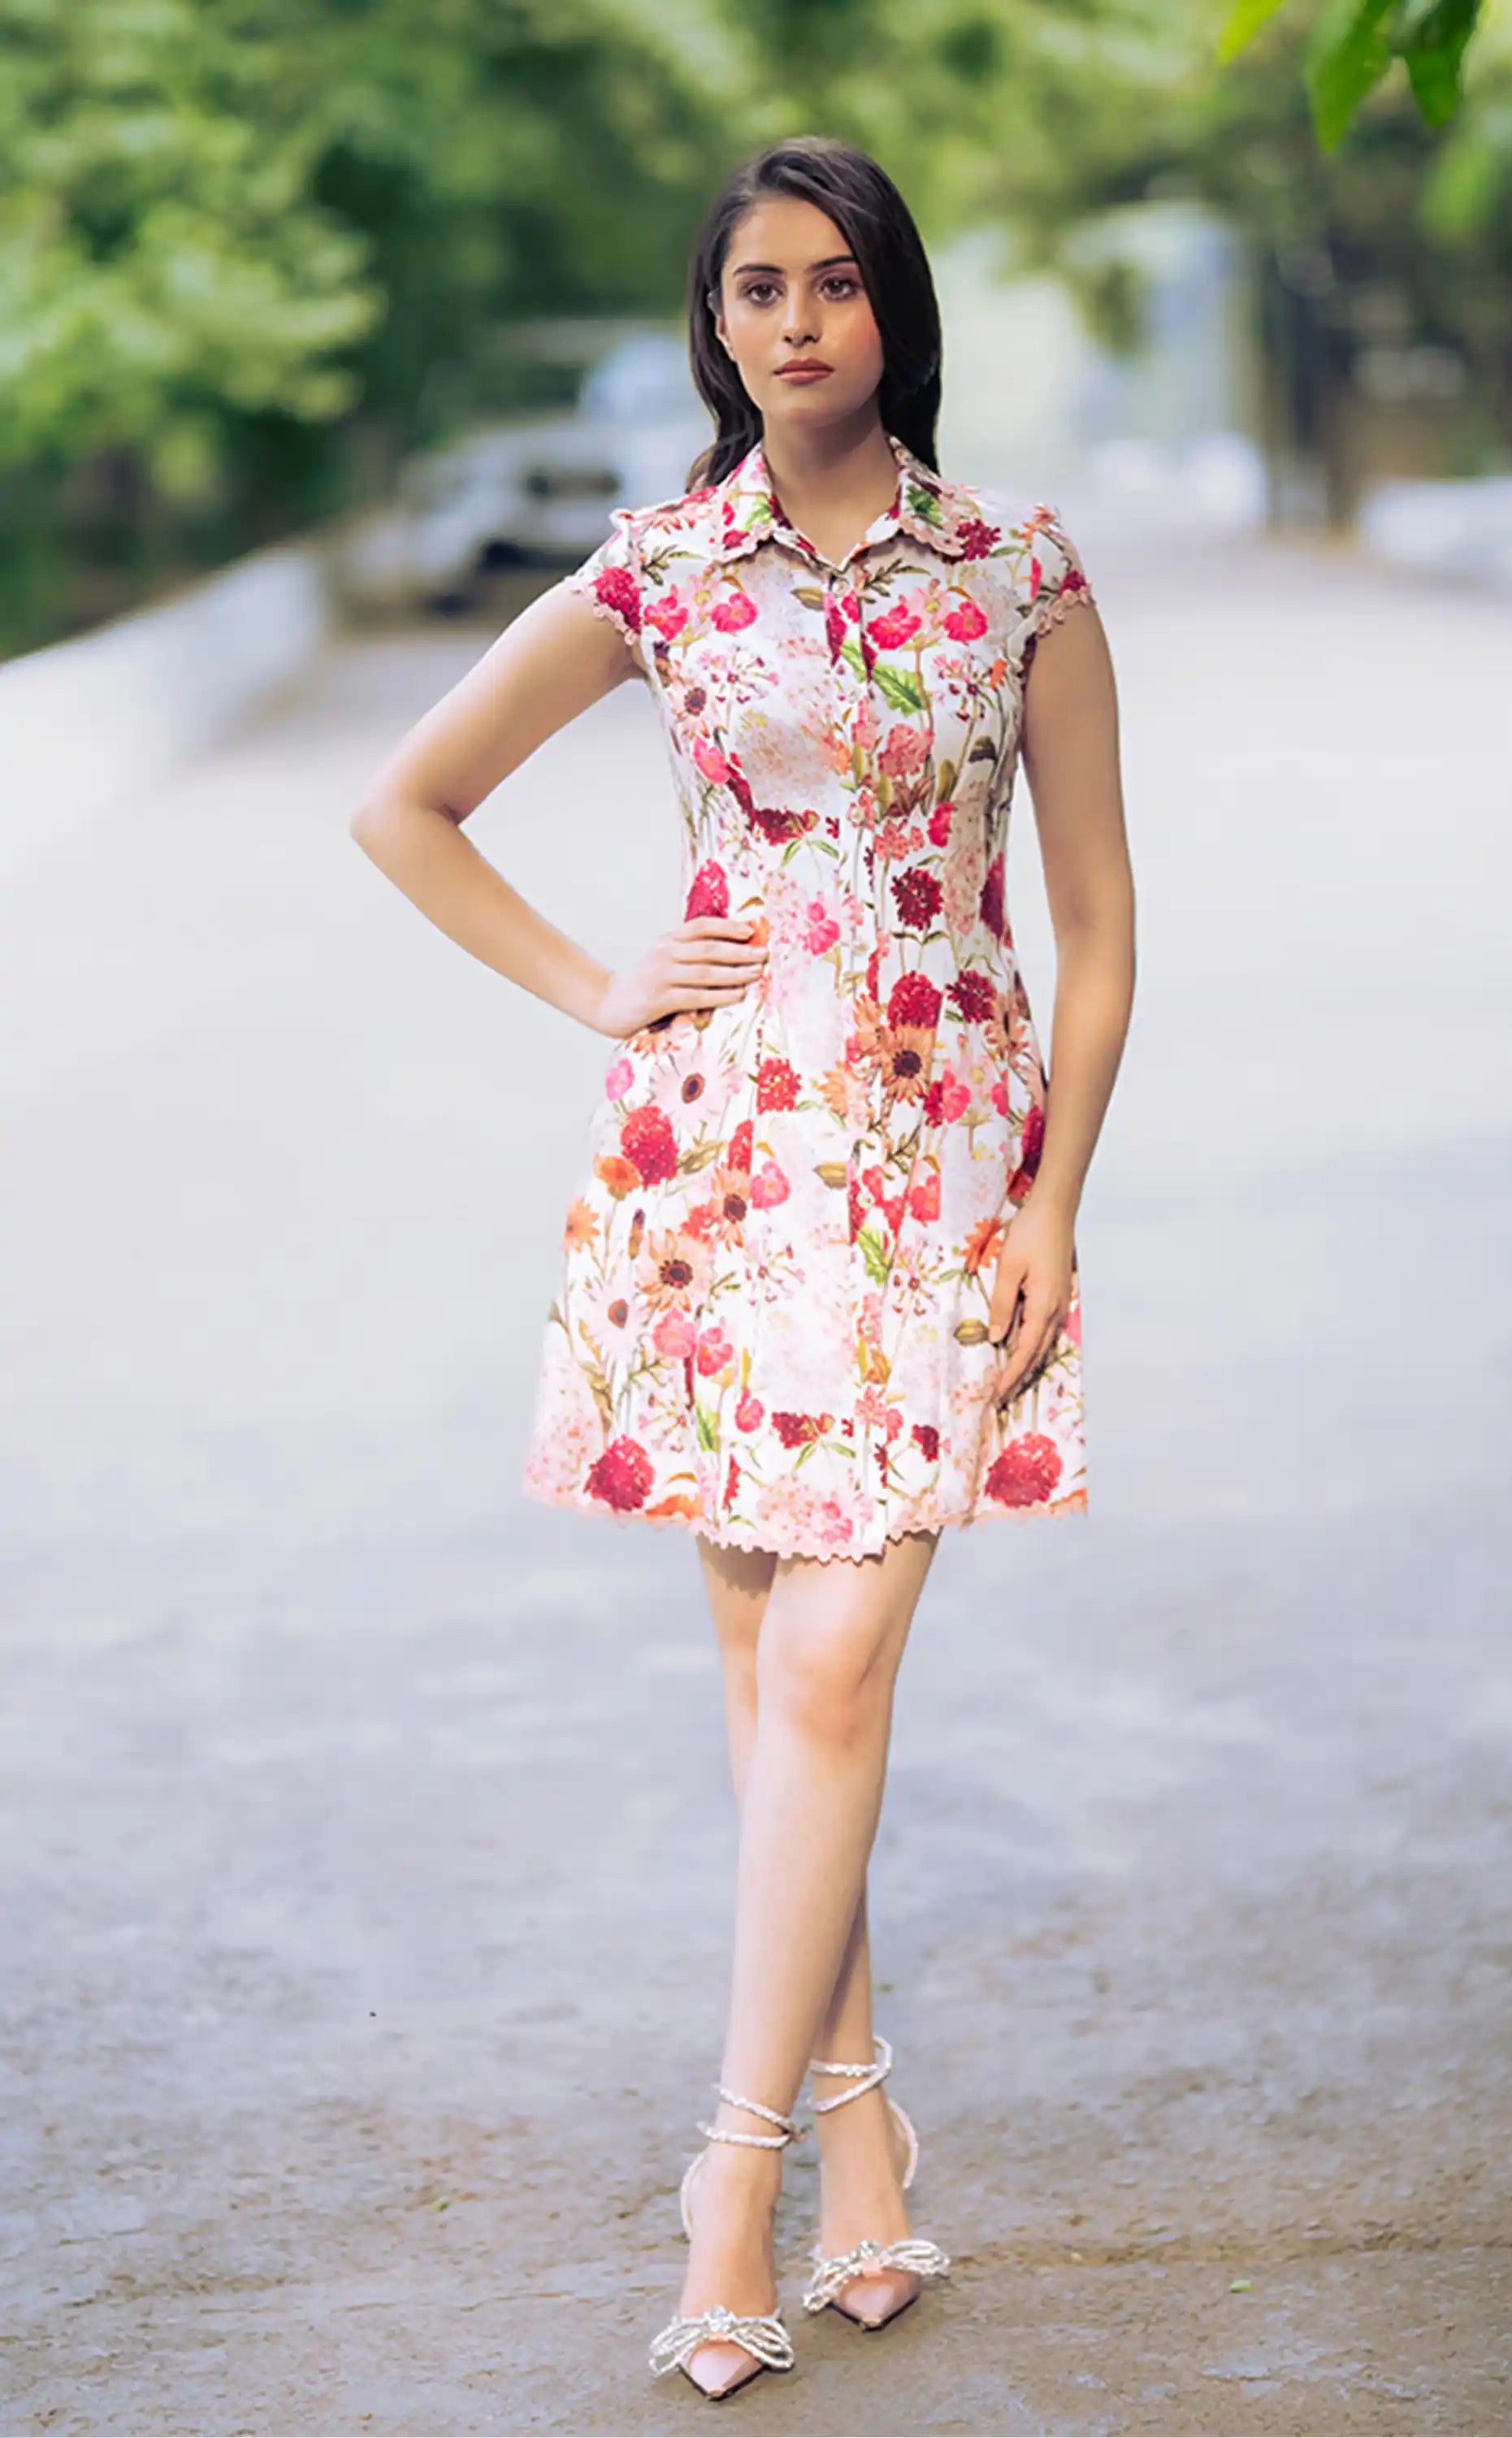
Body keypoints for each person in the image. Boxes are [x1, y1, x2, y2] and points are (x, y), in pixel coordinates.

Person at [350, 133, 1135, 2401]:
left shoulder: (1016, 575)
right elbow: (408, 800)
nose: (791, 321)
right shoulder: (664, 572)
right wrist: (604, 984)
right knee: (786, 1689)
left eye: (831, 283)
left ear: (895, 309)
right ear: (715, 323)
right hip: (717, 1173)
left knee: (828, 1676)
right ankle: (867, 2139)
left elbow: (1096, 934)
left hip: (942, 1173)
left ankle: (732, 2170)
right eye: (752, 288)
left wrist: (1055, 1202)